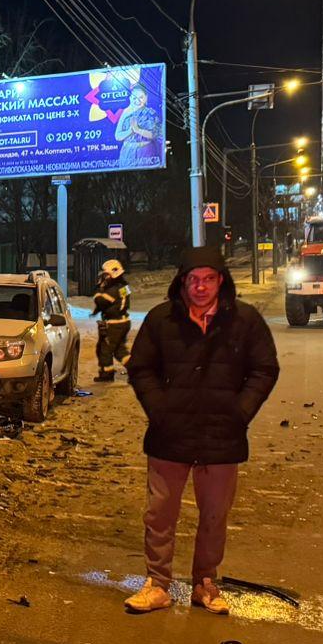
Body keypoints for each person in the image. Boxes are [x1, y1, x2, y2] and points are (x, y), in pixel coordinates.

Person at [123, 246, 279, 614]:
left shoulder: (244, 320)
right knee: (159, 513)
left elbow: (264, 369)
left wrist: (240, 411)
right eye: (193, 279)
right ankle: (158, 583)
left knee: (213, 514)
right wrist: (159, 409)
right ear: (182, 282)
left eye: (208, 279)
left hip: (222, 436)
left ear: (220, 281)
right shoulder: (162, 320)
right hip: (169, 434)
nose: (200, 287)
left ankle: (205, 583)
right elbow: (141, 367)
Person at [90, 258, 132, 382]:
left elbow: (100, 301)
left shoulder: (113, 290)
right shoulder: (124, 287)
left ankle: (106, 374)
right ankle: (136, 369)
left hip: (114, 324)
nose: (104, 277)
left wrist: (98, 289)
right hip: (123, 322)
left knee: (105, 349)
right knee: (119, 350)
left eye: (106, 274)